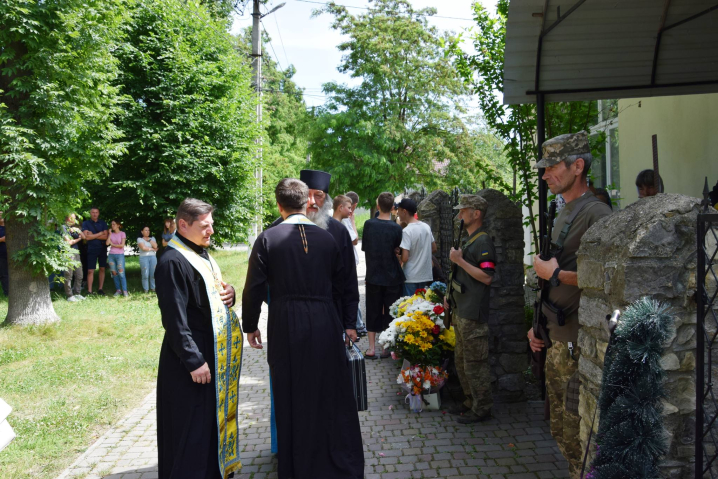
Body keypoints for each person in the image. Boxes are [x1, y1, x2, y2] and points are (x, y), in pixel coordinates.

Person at [242, 178, 364, 479]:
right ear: (307, 202)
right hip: (325, 318)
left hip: (286, 321)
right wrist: (348, 323)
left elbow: (253, 287)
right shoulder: (328, 239)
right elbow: (345, 284)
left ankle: (298, 464)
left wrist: (250, 325)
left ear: (279, 204)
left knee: (291, 391)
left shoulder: (268, 238)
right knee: (327, 389)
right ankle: (331, 458)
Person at [528, 131, 612, 478]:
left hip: (577, 344)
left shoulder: (595, 213)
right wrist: (538, 326)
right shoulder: (565, 210)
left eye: (552, 167)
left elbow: (606, 276)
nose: (545, 175)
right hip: (557, 335)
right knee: (563, 430)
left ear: (577, 166)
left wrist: (557, 273)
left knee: (580, 435)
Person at [155, 198, 240, 479]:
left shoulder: (201, 253)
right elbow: (174, 321)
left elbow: (209, 296)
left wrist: (230, 294)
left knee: (208, 425)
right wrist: (193, 361)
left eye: (211, 224)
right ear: (183, 224)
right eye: (204, 226)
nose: (211, 231)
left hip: (210, 351)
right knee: (189, 429)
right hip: (190, 360)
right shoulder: (171, 261)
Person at [444, 195, 496, 424]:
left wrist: (460, 261)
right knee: (462, 361)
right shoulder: (470, 239)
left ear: (476, 214)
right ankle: (469, 401)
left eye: (463, 211)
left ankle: (482, 407)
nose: (459, 216)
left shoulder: (482, 242)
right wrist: (449, 298)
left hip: (473, 314)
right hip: (462, 310)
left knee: (475, 364)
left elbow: (486, 277)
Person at [362, 192, 405, 359]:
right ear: (393, 207)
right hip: (392, 275)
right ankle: (387, 348)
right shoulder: (396, 227)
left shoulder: (368, 224)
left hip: (373, 274)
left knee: (372, 310)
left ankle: (372, 348)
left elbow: (366, 248)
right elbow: (397, 249)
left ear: (378, 206)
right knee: (390, 311)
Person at [397, 198, 436, 296]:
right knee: (421, 306)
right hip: (425, 274)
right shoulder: (426, 227)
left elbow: (405, 258)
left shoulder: (407, 231)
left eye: (399, 210)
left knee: (409, 307)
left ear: (404, 211)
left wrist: (398, 256)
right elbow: (434, 248)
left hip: (411, 276)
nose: (397, 213)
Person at [82, 207, 109, 295]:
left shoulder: (103, 223)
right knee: (90, 270)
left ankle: (100, 289)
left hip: (102, 248)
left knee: (102, 268)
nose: (94, 214)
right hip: (91, 248)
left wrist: (93, 235)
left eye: (96, 212)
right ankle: (89, 291)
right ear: (90, 213)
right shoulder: (86, 223)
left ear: (98, 213)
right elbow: (86, 237)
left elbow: (106, 237)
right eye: (93, 212)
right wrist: (100, 233)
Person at [63, 214, 85, 301]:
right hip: (68, 253)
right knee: (68, 275)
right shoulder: (63, 228)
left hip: (76, 253)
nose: (75, 220)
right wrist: (78, 239)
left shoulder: (73, 228)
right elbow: (69, 242)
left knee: (79, 274)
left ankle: (77, 293)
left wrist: (78, 230)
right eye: (74, 218)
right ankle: (69, 295)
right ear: (69, 218)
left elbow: (84, 236)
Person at [106, 219, 129, 297]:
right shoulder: (111, 234)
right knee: (114, 273)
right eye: (111, 224)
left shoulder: (122, 234)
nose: (112, 226)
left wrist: (113, 244)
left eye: (114, 224)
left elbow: (122, 245)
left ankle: (125, 290)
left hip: (119, 255)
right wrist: (109, 234)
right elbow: (107, 243)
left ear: (118, 225)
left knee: (121, 273)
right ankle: (118, 290)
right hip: (111, 255)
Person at [137, 226, 158, 293]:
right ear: (142, 231)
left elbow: (156, 246)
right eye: (146, 230)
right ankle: (146, 289)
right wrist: (152, 249)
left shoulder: (152, 238)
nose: (147, 231)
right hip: (144, 257)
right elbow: (143, 248)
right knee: (145, 274)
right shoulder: (139, 239)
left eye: (148, 230)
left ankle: (153, 288)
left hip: (153, 257)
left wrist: (149, 240)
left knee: (153, 273)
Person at [0, 214, 8, 297]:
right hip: (1, 254)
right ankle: (7, 293)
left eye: (1, 214)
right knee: (4, 274)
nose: (0, 216)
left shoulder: (10, 227)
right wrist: (2, 239)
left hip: (10, 254)